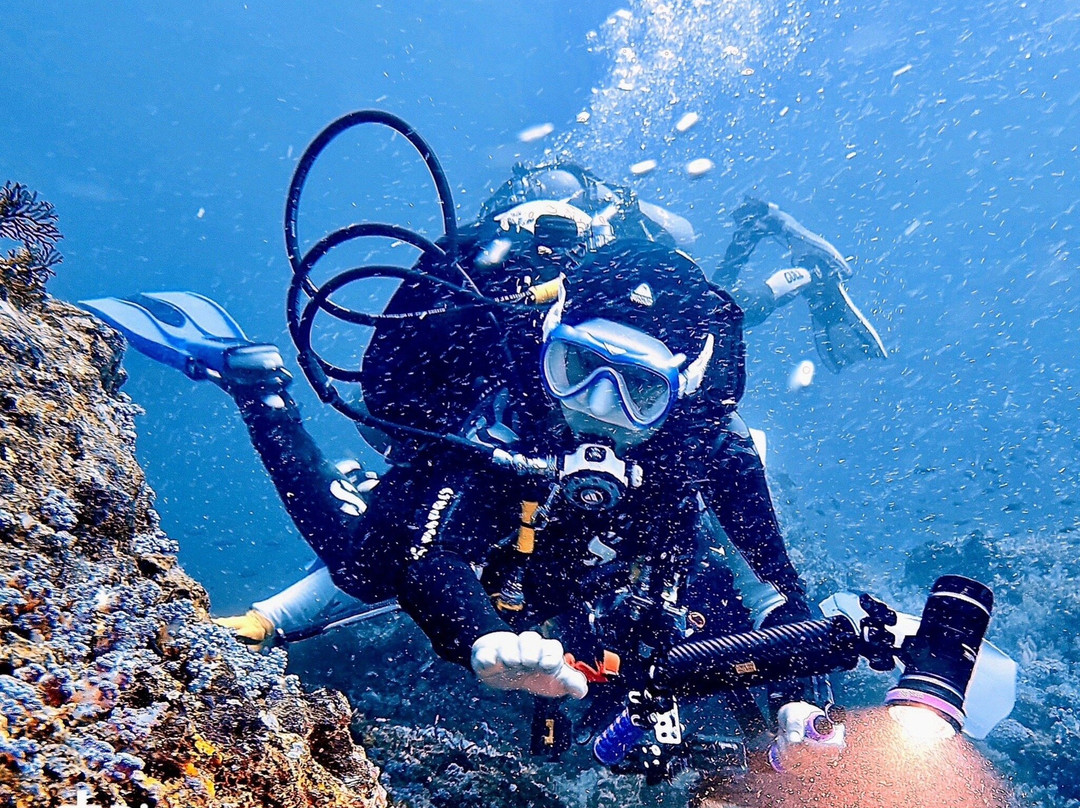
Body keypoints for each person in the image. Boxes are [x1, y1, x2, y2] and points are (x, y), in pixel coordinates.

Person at [81, 164, 859, 771]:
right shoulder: (507, 406)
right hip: (488, 509)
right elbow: (427, 556)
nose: (599, 408)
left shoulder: (704, 447)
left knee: (694, 587)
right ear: (545, 345)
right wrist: (480, 641)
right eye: (578, 369)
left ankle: (786, 271)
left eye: (640, 392)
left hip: (596, 539)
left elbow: (772, 588)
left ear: (680, 396)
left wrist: (796, 697)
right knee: (364, 562)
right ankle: (259, 385)